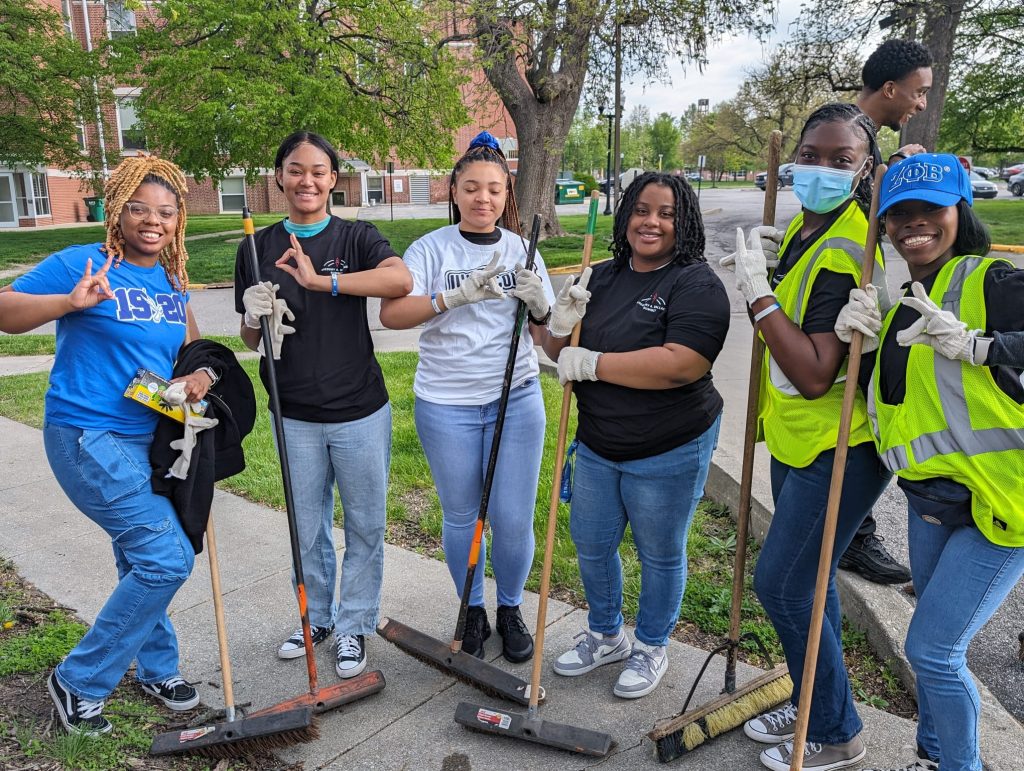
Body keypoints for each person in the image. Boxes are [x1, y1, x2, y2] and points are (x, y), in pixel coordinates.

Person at [0, 156, 211, 735]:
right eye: (139, 208)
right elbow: (5, 311)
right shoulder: (83, 262)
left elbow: (191, 352)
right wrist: (69, 302)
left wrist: (200, 377)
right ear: (117, 210)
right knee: (167, 556)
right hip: (87, 434)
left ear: (177, 221)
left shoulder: (171, 280)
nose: (153, 221)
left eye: (165, 212)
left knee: (140, 555)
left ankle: (154, 667)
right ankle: (79, 680)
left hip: (150, 435)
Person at [836, 155, 1024, 771]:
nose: (914, 224)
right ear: (884, 225)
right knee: (940, 651)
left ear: (959, 211)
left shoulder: (993, 280)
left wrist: (983, 346)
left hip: (1001, 509)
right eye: (899, 214)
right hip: (931, 506)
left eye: (931, 210)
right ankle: (932, 753)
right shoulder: (901, 306)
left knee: (935, 651)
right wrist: (854, 339)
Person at [722, 103, 889, 770]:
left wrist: (760, 298)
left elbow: (818, 372)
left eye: (840, 160)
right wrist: (775, 270)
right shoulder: (803, 227)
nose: (821, 168)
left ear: (864, 168)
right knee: (807, 586)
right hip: (798, 441)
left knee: (785, 585)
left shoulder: (853, 243)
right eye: (812, 155)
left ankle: (838, 730)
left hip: (841, 445)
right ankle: (814, 696)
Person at [234, 131, 412, 678]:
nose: (306, 180)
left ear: (334, 178)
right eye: (295, 169)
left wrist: (322, 281)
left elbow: (400, 278)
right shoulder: (255, 246)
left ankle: (355, 624)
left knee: (364, 524)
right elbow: (250, 341)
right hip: (293, 412)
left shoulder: (355, 237)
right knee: (305, 526)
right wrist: (250, 314)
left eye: (318, 171)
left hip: (358, 408)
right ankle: (317, 618)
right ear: (280, 177)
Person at [545, 171, 729, 699]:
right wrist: (555, 319)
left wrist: (595, 363)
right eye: (641, 210)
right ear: (625, 215)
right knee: (592, 542)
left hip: (669, 444)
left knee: (659, 551)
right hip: (600, 442)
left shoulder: (695, 283)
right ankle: (606, 634)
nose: (651, 222)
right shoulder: (598, 277)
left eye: (666, 214)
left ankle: (651, 645)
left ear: (683, 222)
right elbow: (561, 354)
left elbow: (681, 364)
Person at [379, 132, 555, 663]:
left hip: (516, 398)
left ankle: (509, 608)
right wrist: (449, 297)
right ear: (454, 190)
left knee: (514, 517)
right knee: (462, 517)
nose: (483, 198)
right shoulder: (431, 248)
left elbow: (548, 337)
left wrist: (546, 306)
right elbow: (391, 315)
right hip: (447, 403)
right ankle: (471, 609)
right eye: (472, 187)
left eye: (494, 190)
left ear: (507, 197)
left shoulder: (524, 251)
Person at [857, 39, 933, 168]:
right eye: (920, 93)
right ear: (890, 90)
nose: (923, 105)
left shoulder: (864, 140)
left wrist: (897, 162)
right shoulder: (841, 138)